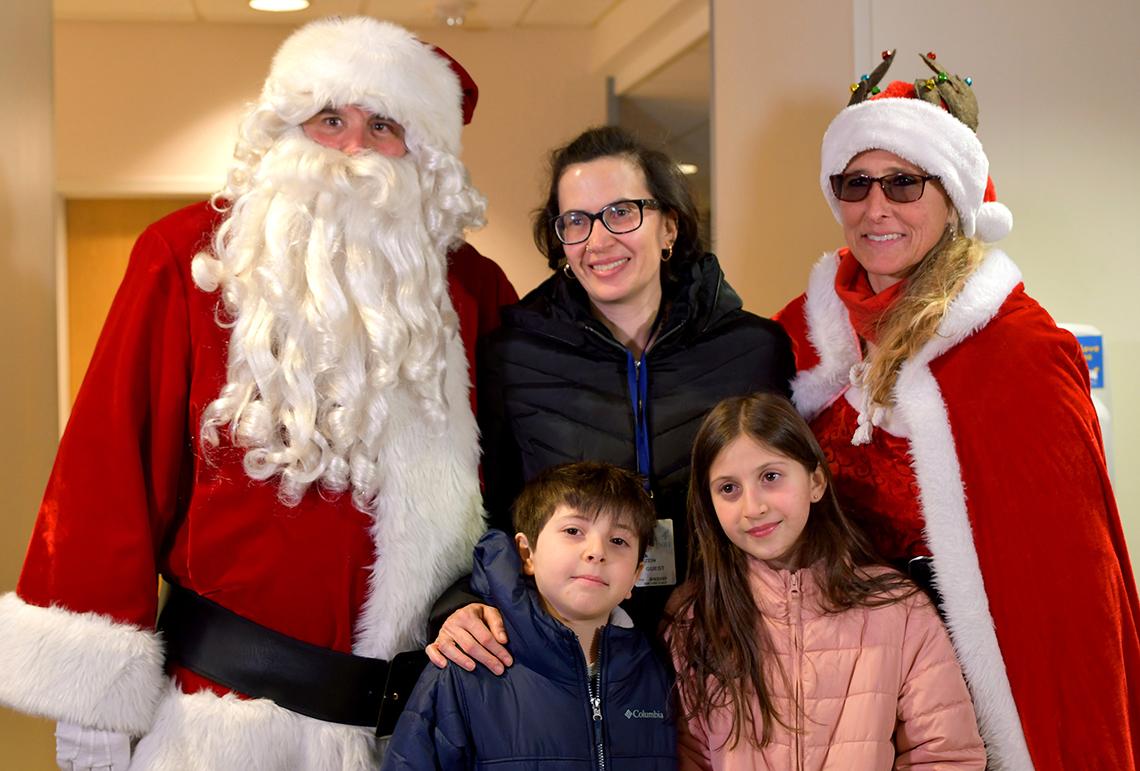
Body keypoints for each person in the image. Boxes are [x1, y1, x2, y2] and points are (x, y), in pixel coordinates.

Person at [0, 16, 516, 771]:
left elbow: (518, 492)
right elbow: (106, 468)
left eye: (384, 127)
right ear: (284, 129)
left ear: (426, 155)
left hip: (419, 734)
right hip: (221, 725)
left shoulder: (472, 291)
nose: (353, 150)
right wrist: (93, 712)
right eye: (330, 120)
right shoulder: (185, 258)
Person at [776, 51, 1140, 770]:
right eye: (856, 184)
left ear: (951, 197)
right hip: (840, 693)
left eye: (903, 183)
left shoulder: (1021, 348)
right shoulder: (799, 334)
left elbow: (1074, 583)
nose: (876, 208)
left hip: (970, 695)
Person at [431, 125, 795, 672]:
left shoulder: (755, 349)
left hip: (730, 646)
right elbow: (490, 510)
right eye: (575, 221)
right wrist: (461, 604)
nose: (598, 240)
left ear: (669, 225)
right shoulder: (512, 356)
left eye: (622, 212)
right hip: (571, 652)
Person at [668, 392, 985, 769]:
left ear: (815, 481)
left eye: (771, 477)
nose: (753, 507)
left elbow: (946, 754)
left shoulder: (898, 609)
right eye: (728, 489)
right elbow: (690, 758)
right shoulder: (694, 617)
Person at [384, 462, 675, 769]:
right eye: (573, 530)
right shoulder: (468, 660)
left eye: (618, 541)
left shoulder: (655, 673)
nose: (596, 551)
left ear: (635, 576)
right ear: (527, 553)